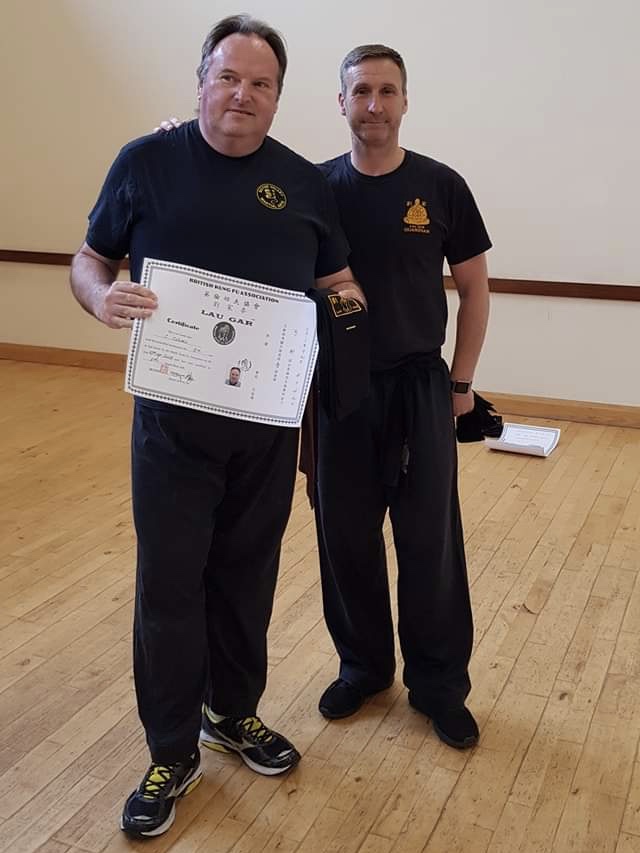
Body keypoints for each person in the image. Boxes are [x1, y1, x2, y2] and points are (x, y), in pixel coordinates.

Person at [70, 14, 361, 839]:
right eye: (229, 76)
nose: (244, 94)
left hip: (265, 428)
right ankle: (169, 750)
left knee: (246, 576)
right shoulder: (146, 163)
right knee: (169, 583)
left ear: (277, 96)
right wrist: (101, 297)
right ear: (202, 78)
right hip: (170, 425)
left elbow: (337, 281)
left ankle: (231, 712)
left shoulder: (305, 184)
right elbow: (90, 259)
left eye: (261, 83)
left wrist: (340, 320)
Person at [314, 45, 491, 750]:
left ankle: (440, 685)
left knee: (429, 542)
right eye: (361, 91)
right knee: (345, 538)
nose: (375, 104)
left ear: (405, 100)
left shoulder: (442, 186)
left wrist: (461, 384)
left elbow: (476, 288)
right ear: (343, 103)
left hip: (420, 385)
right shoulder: (316, 189)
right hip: (340, 390)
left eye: (388, 91)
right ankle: (363, 667)